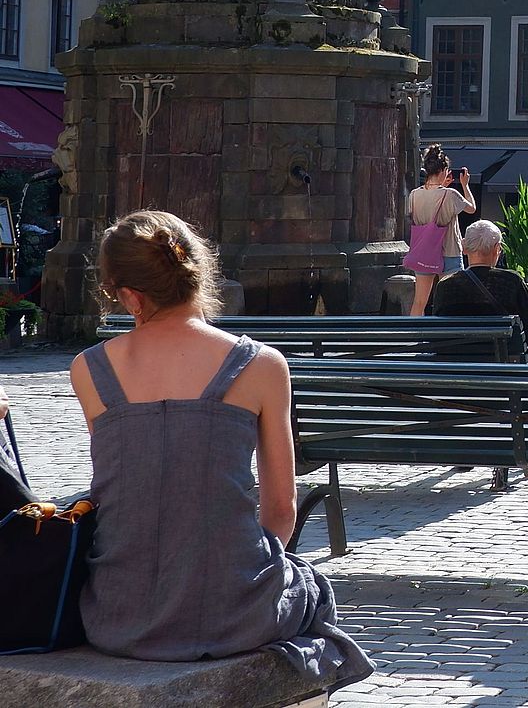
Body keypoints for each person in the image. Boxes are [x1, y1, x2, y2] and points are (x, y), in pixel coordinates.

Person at [67, 211, 372, 684]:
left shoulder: (89, 370)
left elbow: (136, 487)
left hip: (118, 615)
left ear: (129, 295)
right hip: (237, 613)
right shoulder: (263, 365)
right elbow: (281, 510)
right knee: (314, 590)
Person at [429, 218, 528, 361]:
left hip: (456, 363)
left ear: (465, 248)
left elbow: (437, 333)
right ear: (497, 248)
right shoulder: (510, 281)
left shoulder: (445, 285)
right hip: (502, 363)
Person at [406, 144, 474, 317]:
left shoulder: (414, 194)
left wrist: (440, 185)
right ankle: (448, 340)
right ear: (444, 169)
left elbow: (429, 203)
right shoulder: (450, 194)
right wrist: (465, 185)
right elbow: (471, 208)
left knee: (419, 302)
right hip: (449, 252)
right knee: (452, 301)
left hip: (424, 252)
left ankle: (415, 338)